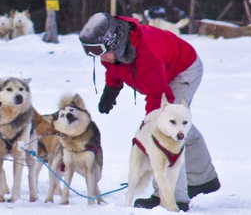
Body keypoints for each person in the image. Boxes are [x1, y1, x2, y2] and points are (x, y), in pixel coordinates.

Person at [78, 12, 220, 211]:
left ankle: (172, 198)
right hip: (163, 72)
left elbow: (158, 95)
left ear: (115, 43)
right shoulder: (112, 53)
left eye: (99, 50)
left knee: (165, 131)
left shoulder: (145, 53)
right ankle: (203, 179)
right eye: (90, 51)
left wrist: (150, 125)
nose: (98, 57)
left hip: (183, 69)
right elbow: (113, 68)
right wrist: (111, 90)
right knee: (178, 128)